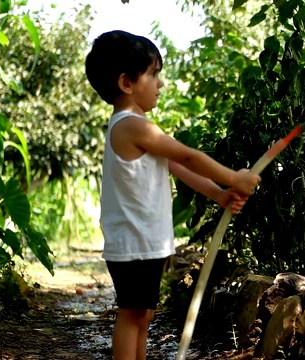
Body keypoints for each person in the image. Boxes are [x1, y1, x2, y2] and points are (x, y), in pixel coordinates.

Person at [84, 30, 261, 360]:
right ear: (126, 83)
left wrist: (219, 194)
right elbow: (188, 156)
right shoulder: (131, 126)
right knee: (132, 314)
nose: (160, 83)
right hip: (133, 245)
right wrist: (233, 177)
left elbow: (176, 168)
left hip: (144, 243)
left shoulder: (139, 127)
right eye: (153, 74)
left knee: (143, 315)